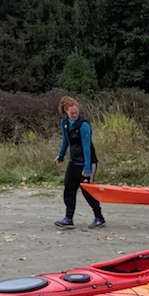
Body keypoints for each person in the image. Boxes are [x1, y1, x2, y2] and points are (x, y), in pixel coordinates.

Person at [55, 96, 105, 229]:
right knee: (69, 188)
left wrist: (87, 168)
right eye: (72, 113)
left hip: (88, 162)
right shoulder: (64, 123)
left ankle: (99, 217)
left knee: (87, 191)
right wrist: (60, 156)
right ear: (66, 111)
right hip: (74, 162)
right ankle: (68, 218)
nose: (75, 115)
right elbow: (65, 141)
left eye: (76, 112)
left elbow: (86, 147)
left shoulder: (84, 125)